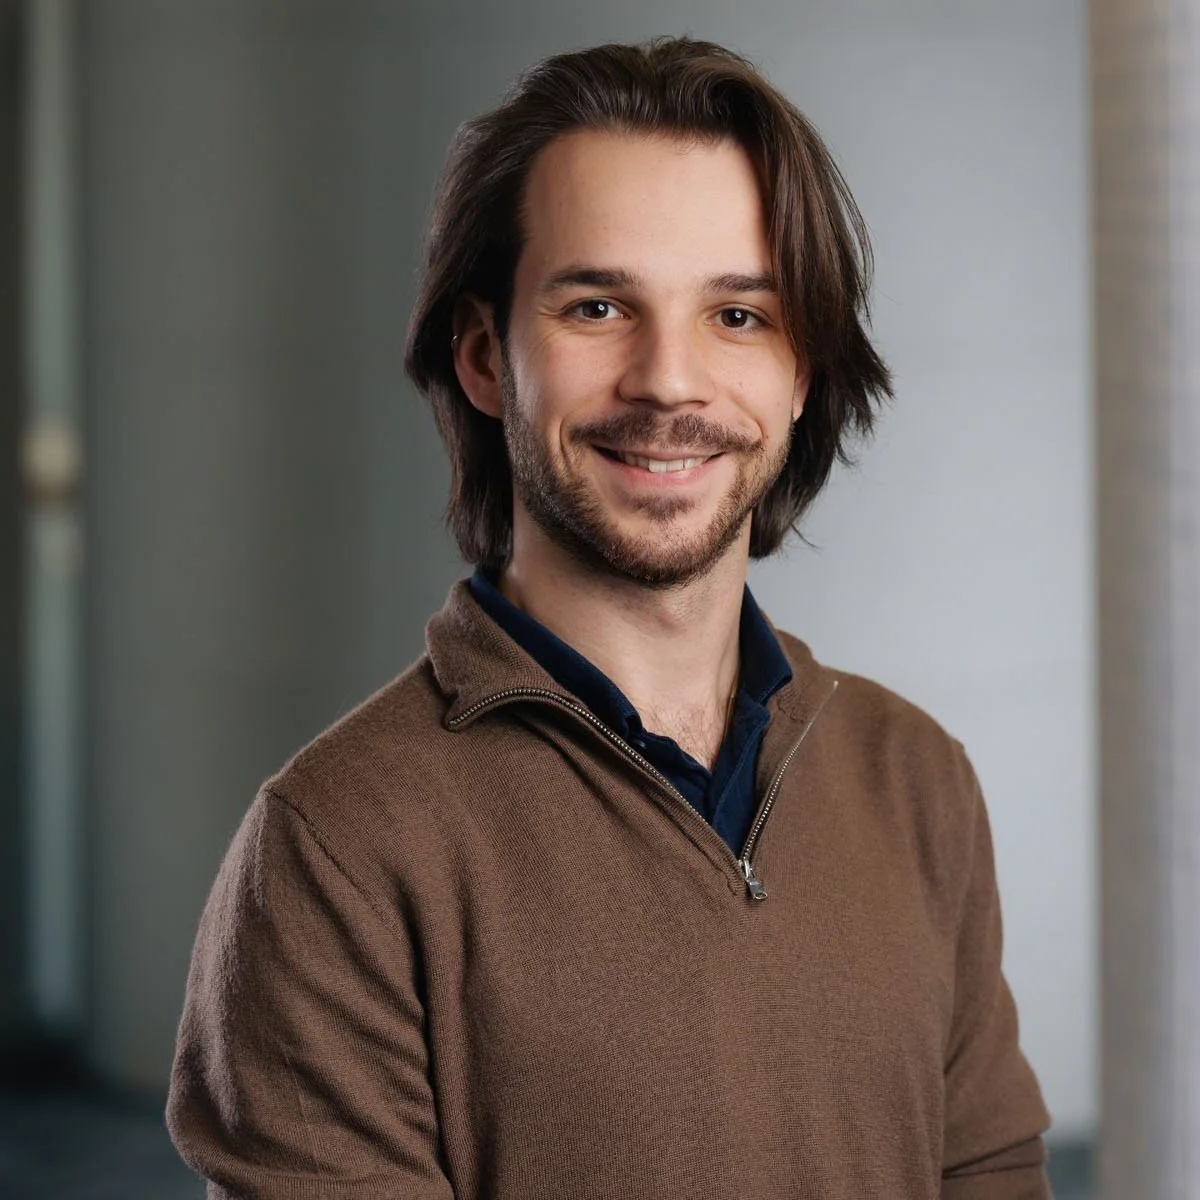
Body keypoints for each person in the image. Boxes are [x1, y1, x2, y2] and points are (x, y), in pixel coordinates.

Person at [165, 37, 1051, 1199]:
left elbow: (987, 1173)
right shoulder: (337, 850)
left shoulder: (917, 780)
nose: (670, 381)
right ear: (488, 359)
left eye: (738, 316)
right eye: (597, 306)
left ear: (801, 373)